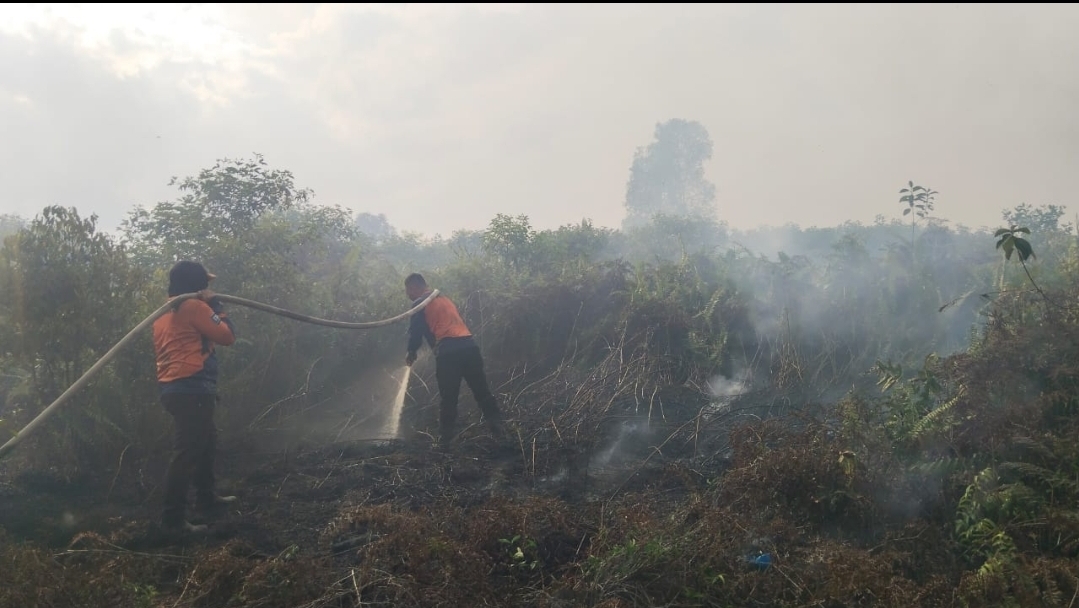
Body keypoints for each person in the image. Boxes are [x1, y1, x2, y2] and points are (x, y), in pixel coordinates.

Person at [152, 261, 238, 533]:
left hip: (174, 389)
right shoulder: (195, 307)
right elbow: (227, 336)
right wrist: (216, 306)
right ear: (196, 285)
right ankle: (173, 520)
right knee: (187, 452)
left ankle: (206, 499)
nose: (207, 288)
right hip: (192, 388)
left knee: (206, 442)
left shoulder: (163, 312)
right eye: (205, 284)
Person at [405, 273, 506, 448]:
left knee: (448, 398)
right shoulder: (443, 299)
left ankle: (445, 442)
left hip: (449, 353)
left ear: (413, 287)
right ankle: (499, 428)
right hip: (470, 347)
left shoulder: (420, 304)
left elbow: (416, 332)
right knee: (482, 392)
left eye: (407, 290)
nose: (408, 294)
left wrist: (411, 351)